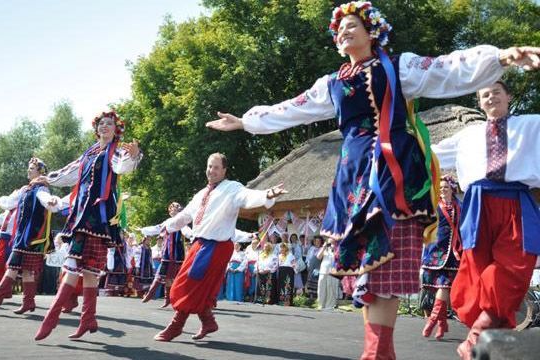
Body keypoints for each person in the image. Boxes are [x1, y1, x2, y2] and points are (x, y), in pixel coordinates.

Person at [206, 1, 540, 356]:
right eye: (340, 29)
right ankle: (379, 351)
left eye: (353, 26)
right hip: (352, 175)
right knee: (364, 266)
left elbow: (447, 68)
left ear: (372, 32)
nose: (344, 32)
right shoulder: (331, 84)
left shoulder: (399, 68)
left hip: (392, 172)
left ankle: (378, 352)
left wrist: (501, 58)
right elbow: (293, 108)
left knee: (386, 263)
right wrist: (247, 121)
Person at [432, 81, 540, 359]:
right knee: (475, 273)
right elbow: (428, 155)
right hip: (477, 205)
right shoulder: (467, 135)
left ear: (509, 96)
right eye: (485, 94)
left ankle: (476, 339)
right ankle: (492, 344)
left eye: (496, 92)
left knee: (512, 268)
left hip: (515, 201)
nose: (491, 97)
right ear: (480, 102)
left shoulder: (531, 124)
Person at [153, 152, 285, 342]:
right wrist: (167, 226)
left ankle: (176, 326)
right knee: (200, 287)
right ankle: (208, 321)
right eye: (209, 166)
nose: (211, 170)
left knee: (187, 285)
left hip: (216, 247)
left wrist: (267, 194)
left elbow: (247, 196)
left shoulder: (232, 188)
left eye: (215, 167)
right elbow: (186, 216)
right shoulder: (201, 194)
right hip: (200, 245)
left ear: (224, 170)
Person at [34, 110, 142, 341]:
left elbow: (125, 166)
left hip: (98, 216)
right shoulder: (90, 152)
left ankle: (51, 319)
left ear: (116, 129)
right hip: (82, 214)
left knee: (78, 266)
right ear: (97, 128)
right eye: (102, 123)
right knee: (89, 271)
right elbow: (70, 172)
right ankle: (88, 319)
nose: (105, 126)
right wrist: (48, 179)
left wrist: (134, 156)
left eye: (109, 124)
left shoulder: (117, 152)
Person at [0, 158, 61, 313]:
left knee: (14, 267)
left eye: (32, 168)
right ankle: (28, 303)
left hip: (32, 235)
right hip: (21, 234)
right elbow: (9, 202)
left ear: (40, 172)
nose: (28, 170)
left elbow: (44, 199)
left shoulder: (41, 189)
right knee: (26, 270)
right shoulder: (25, 189)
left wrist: (51, 201)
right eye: (29, 168)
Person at [420, 175, 463, 340]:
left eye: (446, 187)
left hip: (453, 254)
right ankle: (440, 323)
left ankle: (434, 321)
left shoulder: (460, 206)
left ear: (452, 189)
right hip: (435, 252)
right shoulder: (433, 205)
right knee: (441, 287)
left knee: (444, 287)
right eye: (441, 187)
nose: (443, 190)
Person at [139, 202, 192, 307]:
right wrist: (143, 230)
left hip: (177, 253)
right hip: (167, 252)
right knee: (164, 276)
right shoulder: (167, 221)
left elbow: (187, 232)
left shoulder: (181, 221)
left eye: (175, 208)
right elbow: (156, 228)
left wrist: (193, 236)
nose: (172, 210)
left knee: (175, 278)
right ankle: (163, 298)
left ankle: (168, 297)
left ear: (179, 210)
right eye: (171, 208)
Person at [316, 240, 340, 311]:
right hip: (323, 270)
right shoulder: (325, 248)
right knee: (321, 288)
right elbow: (318, 256)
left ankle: (330, 305)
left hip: (333, 271)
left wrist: (335, 249)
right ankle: (321, 305)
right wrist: (324, 246)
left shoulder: (339, 248)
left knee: (331, 287)